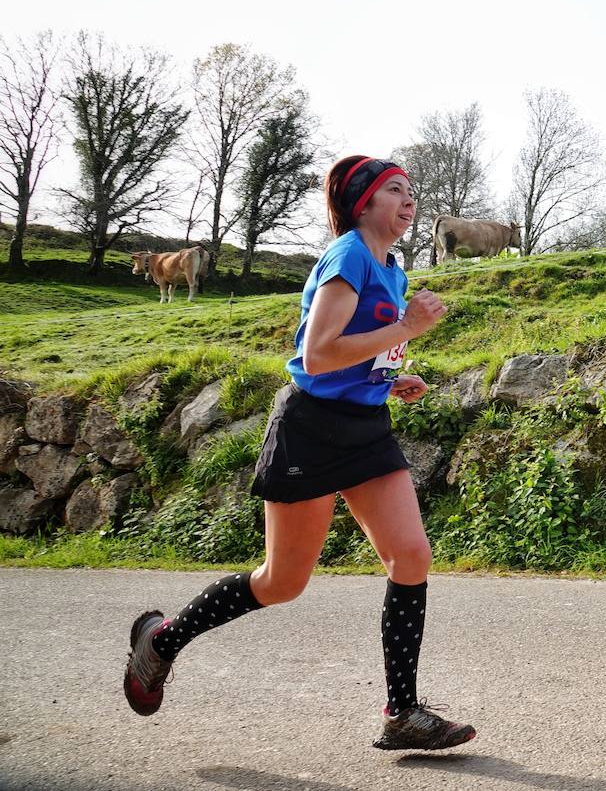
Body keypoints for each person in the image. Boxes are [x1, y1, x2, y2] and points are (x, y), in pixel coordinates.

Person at [122, 155, 474, 751]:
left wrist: (388, 379)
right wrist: (408, 331)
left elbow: (357, 356)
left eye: (411, 191)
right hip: (310, 430)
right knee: (282, 581)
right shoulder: (348, 256)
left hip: (365, 427)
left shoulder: (392, 269)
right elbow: (317, 357)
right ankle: (161, 641)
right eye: (395, 190)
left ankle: (402, 710)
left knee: (411, 555)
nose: (409, 200)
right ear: (363, 202)